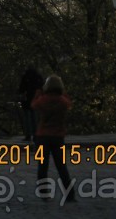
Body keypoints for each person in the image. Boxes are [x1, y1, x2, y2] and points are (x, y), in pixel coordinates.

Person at [31, 74, 75, 202]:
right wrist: (64, 93)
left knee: (42, 166)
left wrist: (38, 94)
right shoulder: (62, 101)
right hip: (58, 136)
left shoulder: (42, 100)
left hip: (42, 136)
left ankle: (44, 193)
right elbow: (69, 103)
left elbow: (33, 105)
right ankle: (69, 194)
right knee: (61, 166)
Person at [18, 65, 44, 141]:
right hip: (36, 98)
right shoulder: (38, 77)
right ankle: (36, 134)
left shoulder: (25, 76)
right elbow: (42, 87)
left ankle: (28, 135)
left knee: (27, 117)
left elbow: (21, 88)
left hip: (27, 99)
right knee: (34, 116)